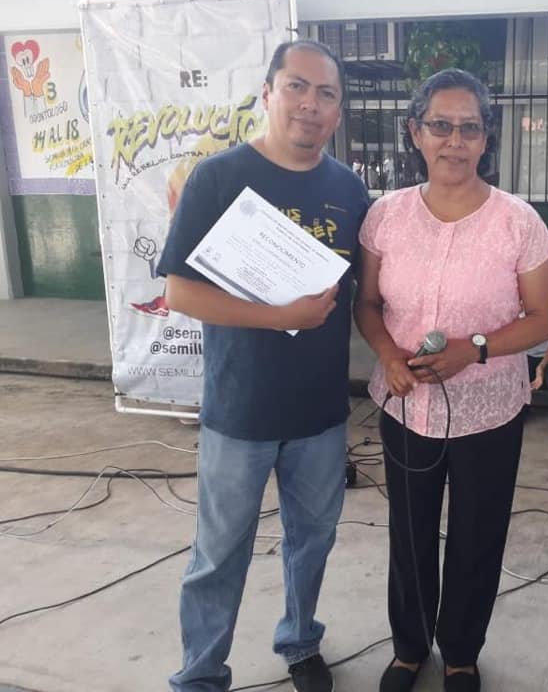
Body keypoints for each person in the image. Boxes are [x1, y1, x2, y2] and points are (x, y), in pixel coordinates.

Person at [157, 40, 369, 692]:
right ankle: (200, 674)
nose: (311, 104)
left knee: (313, 541)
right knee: (218, 554)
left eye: (326, 94)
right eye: (298, 87)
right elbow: (179, 292)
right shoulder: (218, 178)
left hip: (319, 413)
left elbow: (365, 292)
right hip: (239, 410)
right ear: (269, 93)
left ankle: (300, 640)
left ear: (338, 109)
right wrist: (282, 314)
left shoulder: (348, 189)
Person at [353, 67, 548, 692]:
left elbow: (544, 318)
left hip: (490, 411)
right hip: (407, 406)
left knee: (476, 536)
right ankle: (410, 647)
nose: (455, 140)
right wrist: (388, 355)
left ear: (487, 136)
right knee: (410, 534)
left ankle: (462, 652)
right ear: (416, 132)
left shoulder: (518, 222)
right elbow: (366, 305)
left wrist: (478, 349)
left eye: (470, 127)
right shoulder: (385, 217)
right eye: (440, 125)